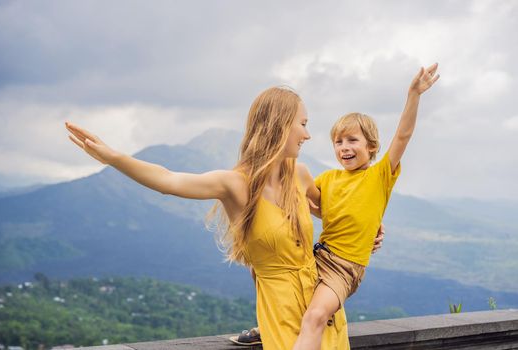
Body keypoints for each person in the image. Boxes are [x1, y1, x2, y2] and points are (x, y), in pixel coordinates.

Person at [66, 87, 355, 349]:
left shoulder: (301, 175)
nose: (307, 134)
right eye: (303, 124)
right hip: (280, 313)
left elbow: (335, 214)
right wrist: (113, 158)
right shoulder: (234, 184)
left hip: (321, 312)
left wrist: (368, 231)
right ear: (279, 124)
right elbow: (168, 181)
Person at [292, 63, 440, 350]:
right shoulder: (329, 178)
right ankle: (266, 329)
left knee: (315, 315)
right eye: (338, 141)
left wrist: (414, 94)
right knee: (281, 289)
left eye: (352, 140)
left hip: (344, 268)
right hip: (317, 255)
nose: (344, 147)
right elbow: (316, 207)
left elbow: (403, 136)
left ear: (371, 146)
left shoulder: (379, 176)